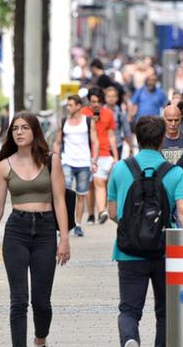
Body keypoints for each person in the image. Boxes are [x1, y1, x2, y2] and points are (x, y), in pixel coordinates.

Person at [0, 112, 71, 347]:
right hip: (16, 231)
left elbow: (60, 201)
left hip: (46, 230)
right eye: (15, 129)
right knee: (19, 301)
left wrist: (64, 239)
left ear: (35, 131)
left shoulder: (52, 161)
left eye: (24, 128)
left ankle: (41, 339)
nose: (19, 132)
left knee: (42, 301)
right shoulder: (3, 166)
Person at [108, 116, 183, 347]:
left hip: (128, 251)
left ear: (137, 137)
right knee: (166, 311)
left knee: (128, 309)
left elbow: (113, 212)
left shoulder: (120, 168)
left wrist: (134, 224)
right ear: (161, 139)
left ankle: (130, 339)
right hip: (165, 250)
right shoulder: (175, 173)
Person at [53, 95, 98, 237]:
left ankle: (77, 224)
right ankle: (64, 224)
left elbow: (95, 141)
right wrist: (56, 157)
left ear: (79, 106)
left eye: (70, 105)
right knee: (64, 192)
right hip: (67, 161)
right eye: (67, 105)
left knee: (81, 195)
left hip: (84, 162)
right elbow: (58, 141)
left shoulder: (88, 121)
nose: (68, 107)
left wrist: (94, 160)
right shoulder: (64, 121)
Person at [83, 87, 118, 224]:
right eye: (93, 101)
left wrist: (115, 156)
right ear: (89, 101)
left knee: (99, 181)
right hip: (86, 154)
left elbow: (111, 135)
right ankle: (91, 214)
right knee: (89, 186)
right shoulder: (83, 114)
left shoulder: (108, 113)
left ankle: (102, 211)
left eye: (98, 101)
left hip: (104, 153)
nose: (95, 104)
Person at [105, 86, 133, 159]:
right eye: (109, 96)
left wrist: (131, 147)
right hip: (104, 147)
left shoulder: (120, 113)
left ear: (117, 98)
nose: (111, 99)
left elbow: (127, 131)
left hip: (117, 145)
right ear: (105, 98)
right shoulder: (101, 112)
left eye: (113, 96)